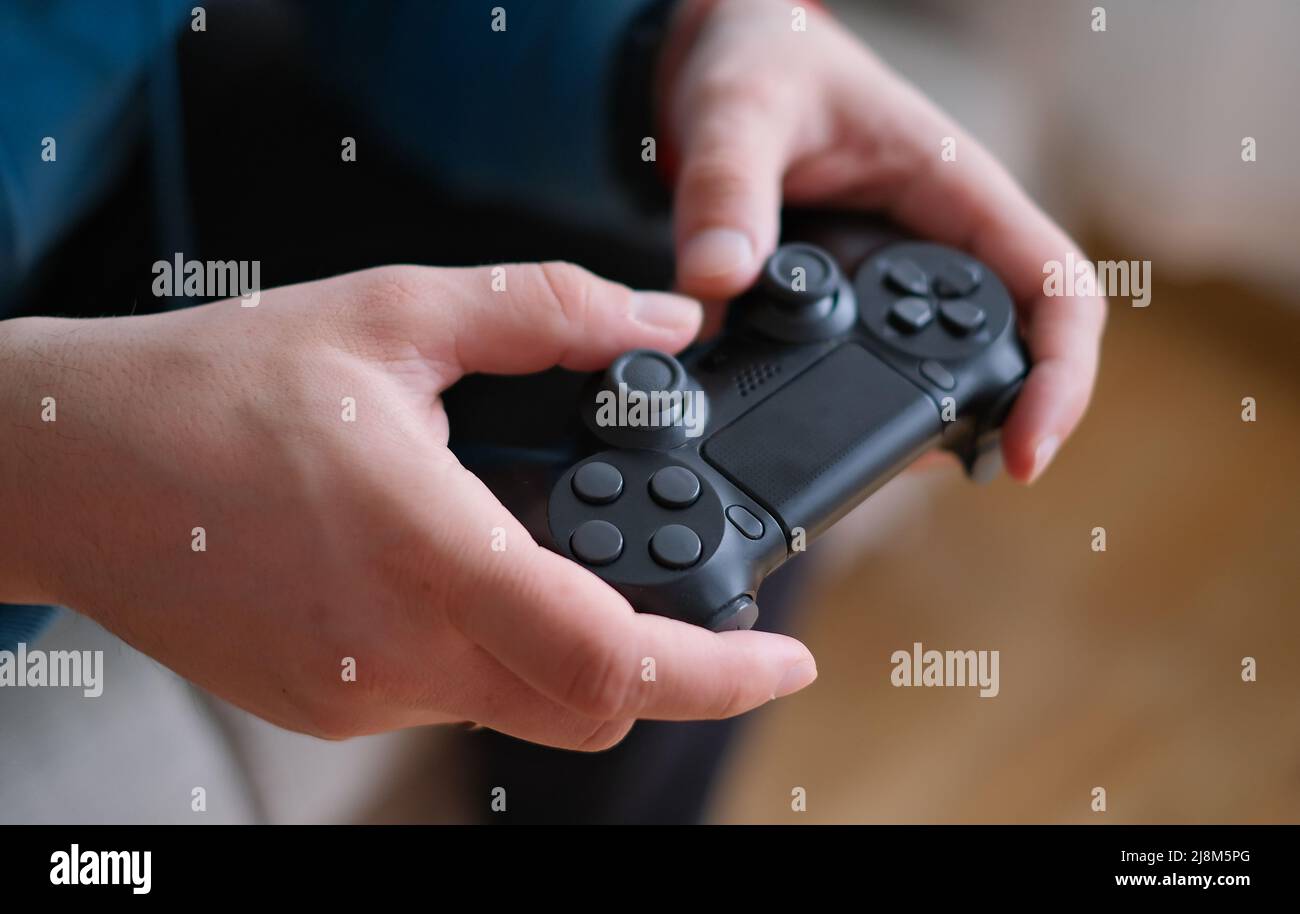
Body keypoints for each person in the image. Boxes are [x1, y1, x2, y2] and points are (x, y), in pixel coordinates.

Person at [0, 0, 1104, 822]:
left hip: (125, 123)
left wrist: (665, 52)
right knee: (651, 521)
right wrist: (45, 478)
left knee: (685, 385)